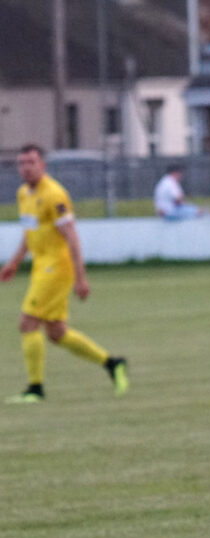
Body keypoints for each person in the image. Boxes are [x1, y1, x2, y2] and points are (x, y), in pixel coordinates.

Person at [1, 144, 130, 404]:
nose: (26, 167)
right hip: (41, 266)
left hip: (57, 267)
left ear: (42, 165)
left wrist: (81, 278)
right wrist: (14, 262)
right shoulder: (23, 193)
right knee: (57, 332)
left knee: (27, 322)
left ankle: (35, 389)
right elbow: (30, 232)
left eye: (31, 162)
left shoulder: (55, 194)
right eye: (22, 163)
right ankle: (112, 363)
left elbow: (72, 237)